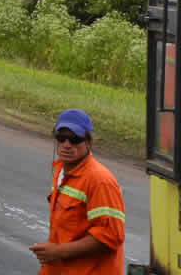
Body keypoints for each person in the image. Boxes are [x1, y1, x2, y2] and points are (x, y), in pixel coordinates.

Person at [29, 109, 125, 274]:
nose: (67, 144)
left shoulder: (100, 181)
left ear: (89, 142)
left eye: (75, 139)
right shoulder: (61, 171)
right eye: (61, 138)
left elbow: (111, 236)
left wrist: (58, 252)